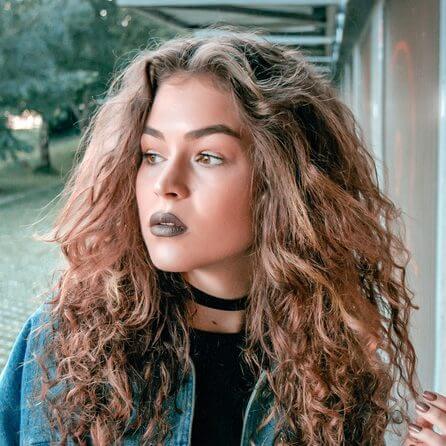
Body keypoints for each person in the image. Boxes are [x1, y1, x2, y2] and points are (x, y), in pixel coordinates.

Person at [0, 25, 444, 446]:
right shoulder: (66, 344)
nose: (166, 183)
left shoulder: (331, 359)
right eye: (152, 154)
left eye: (208, 156)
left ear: (282, 181)